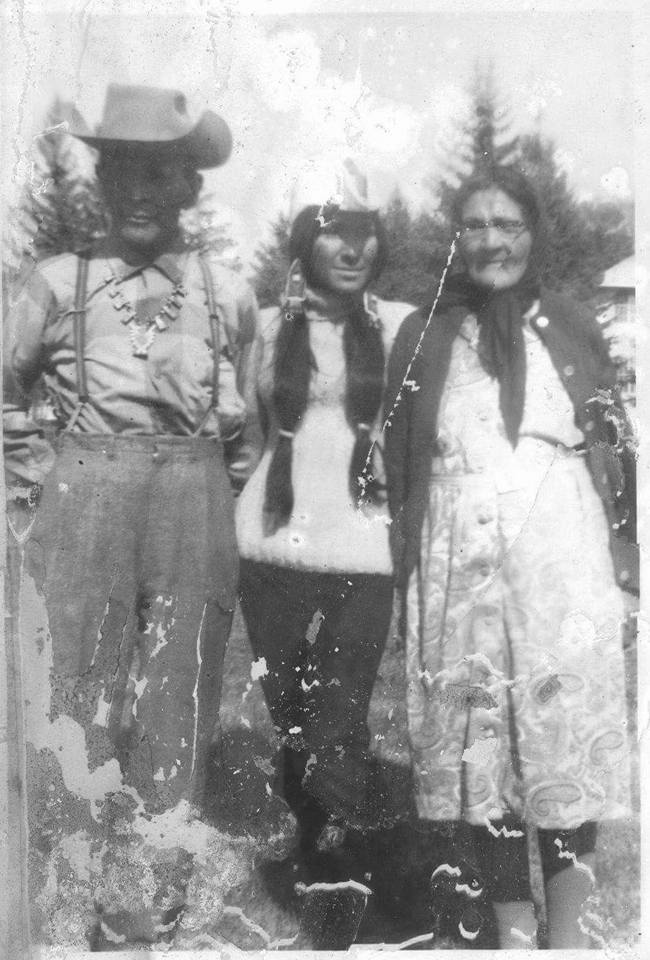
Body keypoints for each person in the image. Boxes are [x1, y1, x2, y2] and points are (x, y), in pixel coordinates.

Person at [3, 84, 261, 948]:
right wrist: (39, 485)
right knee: (77, 694)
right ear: (102, 184)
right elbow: (6, 394)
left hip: (192, 503)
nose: (141, 191)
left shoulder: (228, 292)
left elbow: (243, 430)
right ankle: (75, 893)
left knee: (177, 698)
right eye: (124, 172)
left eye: (162, 172)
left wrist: (205, 488)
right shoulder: (53, 282)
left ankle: (151, 897)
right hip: (82, 500)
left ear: (189, 186)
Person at [383, 165, 635, 949]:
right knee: (480, 758)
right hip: (459, 565)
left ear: (533, 232)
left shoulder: (567, 321)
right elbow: (399, 463)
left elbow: (613, 442)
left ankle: (565, 937)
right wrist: (406, 576)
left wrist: (628, 563)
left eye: (508, 224)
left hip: (562, 558)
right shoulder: (424, 330)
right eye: (476, 225)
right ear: (456, 238)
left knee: (563, 750)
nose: (492, 240)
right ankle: (514, 937)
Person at [235, 159, 412, 884]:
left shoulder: (401, 327)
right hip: (271, 547)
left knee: (340, 713)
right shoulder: (266, 327)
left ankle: (341, 870)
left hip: (364, 551)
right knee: (292, 713)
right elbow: (246, 440)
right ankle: (315, 844)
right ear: (306, 240)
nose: (352, 249)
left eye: (366, 233)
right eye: (335, 232)